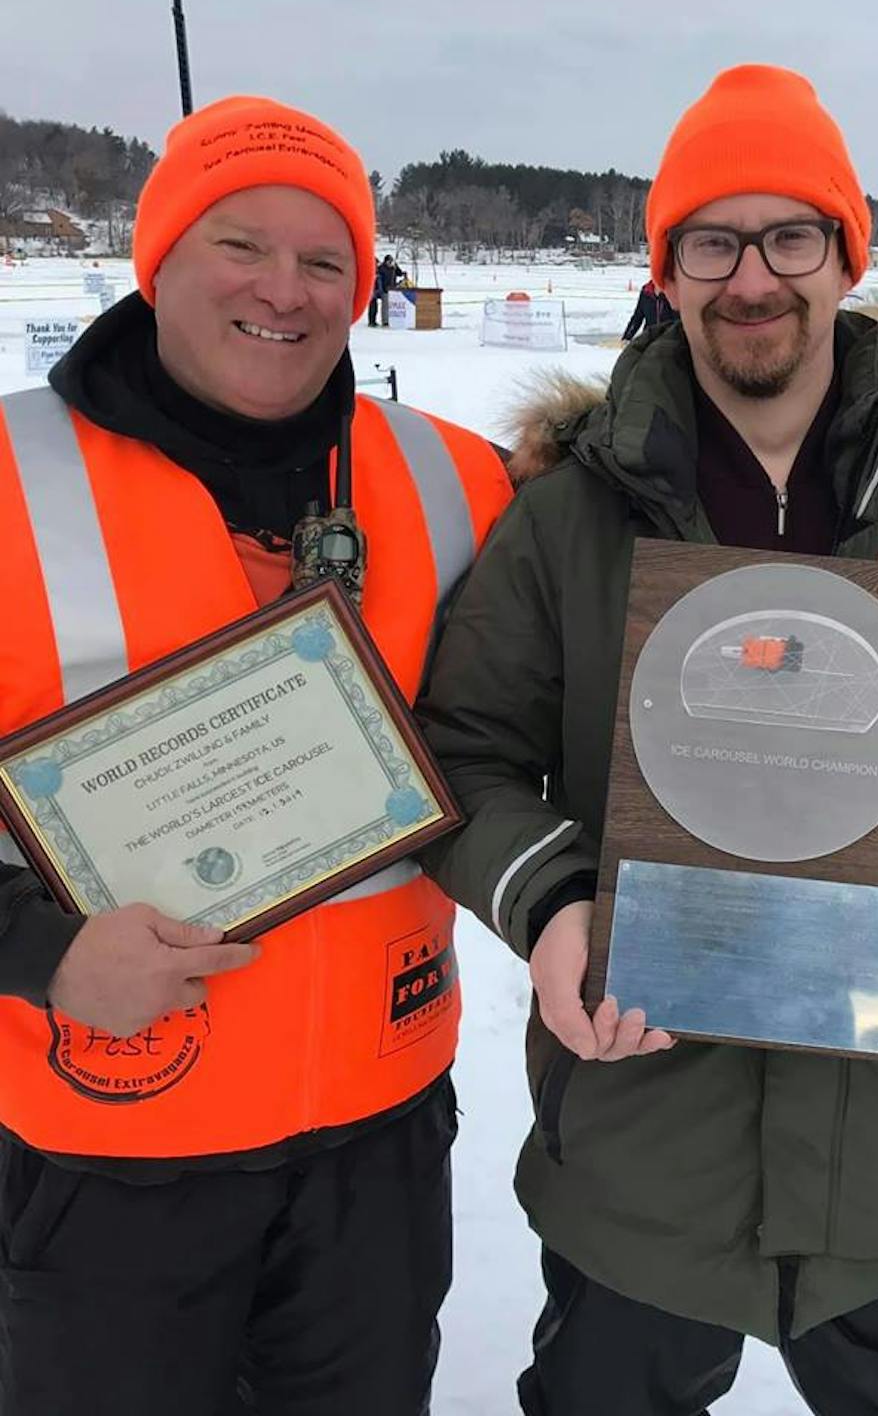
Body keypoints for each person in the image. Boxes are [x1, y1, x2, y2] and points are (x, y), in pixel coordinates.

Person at [419, 63, 878, 1416]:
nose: (752, 277)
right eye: (710, 242)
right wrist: (550, 904)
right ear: (666, 271)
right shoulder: (569, 520)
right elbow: (461, 758)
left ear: (848, 256)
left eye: (792, 236)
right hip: (642, 1124)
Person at [0, 95, 512, 1415]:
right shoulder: (8, 474)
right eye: (241, 244)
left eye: (325, 258)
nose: (283, 289)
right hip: (105, 1153)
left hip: (378, 1144)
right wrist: (38, 951)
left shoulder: (461, 479)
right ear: (155, 255)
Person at [622, 275, 678, 340]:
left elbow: (679, 322)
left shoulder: (673, 294)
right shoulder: (646, 292)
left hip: (668, 341)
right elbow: (637, 317)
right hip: (649, 340)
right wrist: (627, 337)